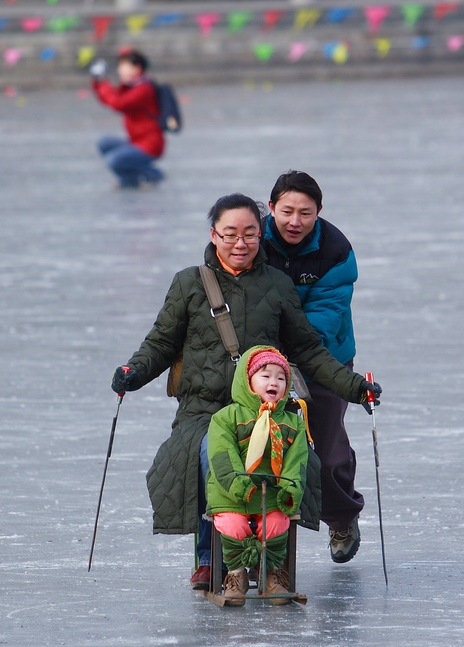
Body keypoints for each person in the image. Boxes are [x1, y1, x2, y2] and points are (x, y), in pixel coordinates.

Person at [110, 193, 381, 591]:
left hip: (264, 407)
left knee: (286, 458)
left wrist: (356, 388)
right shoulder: (189, 283)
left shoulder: (277, 284)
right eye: (230, 234)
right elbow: (162, 343)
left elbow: (307, 349)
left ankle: (268, 558)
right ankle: (208, 557)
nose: (240, 243)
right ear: (213, 234)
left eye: (250, 234)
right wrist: (133, 372)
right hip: (203, 408)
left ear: (260, 235)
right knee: (210, 456)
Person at [261, 170, 365, 564]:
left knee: (325, 444)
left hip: (324, 357)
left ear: (319, 212)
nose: (295, 221)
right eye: (286, 211)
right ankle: (253, 541)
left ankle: (341, 517)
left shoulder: (334, 250)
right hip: (260, 360)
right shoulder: (254, 240)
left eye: (306, 212)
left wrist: (287, 356)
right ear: (271, 208)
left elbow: (325, 313)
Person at [206, 346, 312, 606]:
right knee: (234, 526)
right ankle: (236, 574)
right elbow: (222, 457)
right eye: (265, 376)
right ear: (248, 381)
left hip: (273, 494)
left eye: (280, 377)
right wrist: (240, 486)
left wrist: (290, 490)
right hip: (233, 493)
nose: (273, 382)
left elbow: (296, 461)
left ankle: (272, 573)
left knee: (276, 524)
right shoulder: (226, 418)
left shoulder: (293, 422)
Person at [90, 48, 164, 188]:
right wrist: (98, 82)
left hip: (150, 145)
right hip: (136, 142)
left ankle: (151, 174)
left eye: (123, 66)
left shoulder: (144, 88)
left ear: (137, 68)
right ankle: (131, 180)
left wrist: (104, 83)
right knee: (104, 142)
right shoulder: (131, 86)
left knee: (113, 160)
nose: (119, 70)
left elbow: (119, 103)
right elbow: (109, 99)